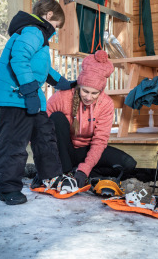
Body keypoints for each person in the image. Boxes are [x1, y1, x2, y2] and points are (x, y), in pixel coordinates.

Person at [0, 0, 78, 205]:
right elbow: (18, 59)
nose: (55, 31)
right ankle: (7, 187)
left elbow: (43, 69)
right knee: (14, 143)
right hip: (14, 97)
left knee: (45, 136)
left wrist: (64, 83)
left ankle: (50, 177)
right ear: (48, 16)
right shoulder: (33, 31)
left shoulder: (38, 36)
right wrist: (29, 92)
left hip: (29, 97)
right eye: (56, 25)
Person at [46, 50, 137, 188]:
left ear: (101, 91)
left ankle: (84, 174)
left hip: (86, 152)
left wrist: (84, 170)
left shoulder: (105, 104)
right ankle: (66, 173)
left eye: (94, 93)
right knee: (56, 118)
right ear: (79, 86)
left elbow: (100, 142)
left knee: (129, 164)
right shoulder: (63, 96)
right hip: (64, 151)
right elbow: (40, 126)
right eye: (85, 91)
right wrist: (45, 163)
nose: (89, 97)